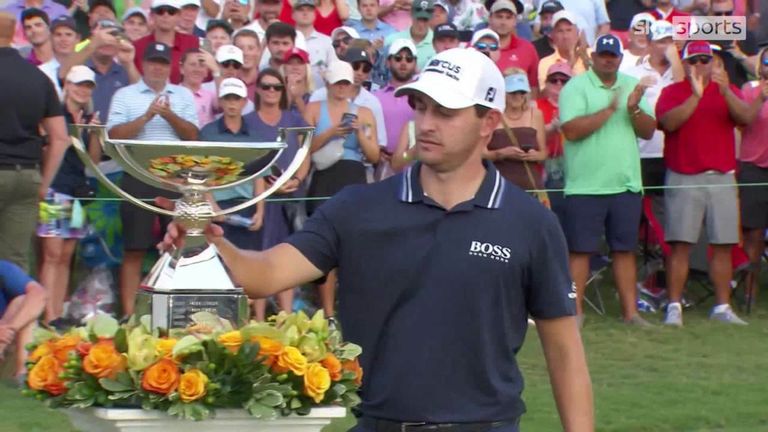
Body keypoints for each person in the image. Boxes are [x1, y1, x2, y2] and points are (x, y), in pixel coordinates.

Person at [161, 47, 593, 432]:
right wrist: (206, 239)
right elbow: (266, 273)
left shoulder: (531, 223)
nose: (425, 123)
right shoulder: (357, 209)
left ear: (489, 122)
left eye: (445, 112)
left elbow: (565, 351)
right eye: (421, 107)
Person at [655, 41, 757, 326]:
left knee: (723, 244)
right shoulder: (672, 92)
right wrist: (695, 97)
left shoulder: (727, 91)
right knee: (680, 244)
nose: (700, 66)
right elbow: (669, 123)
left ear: (714, 63)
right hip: (684, 175)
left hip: (722, 176)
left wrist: (724, 91)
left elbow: (746, 118)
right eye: (694, 61)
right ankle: (674, 305)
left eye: (705, 60)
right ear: (686, 64)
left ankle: (722, 306)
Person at [559, 34, 656, 326]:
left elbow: (649, 131)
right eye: (602, 54)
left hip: (625, 183)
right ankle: (573, 312)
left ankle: (631, 314)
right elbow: (572, 130)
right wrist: (609, 111)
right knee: (579, 251)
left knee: (625, 249)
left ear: (620, 58)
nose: (607, 59)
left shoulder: (631, 85)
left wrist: (633, 108)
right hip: (585, 185)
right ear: (596, 56)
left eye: (612, 55)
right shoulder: (575, 87)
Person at [107, 42, 199, 316]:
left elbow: (193, 135)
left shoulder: (182, 95)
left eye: (162, 62)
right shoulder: (125, 95)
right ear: (142, 64)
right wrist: (146, 116)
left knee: (177, 247)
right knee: (134, 249)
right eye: (152, 62)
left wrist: (168, 115)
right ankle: (129, 315)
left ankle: (173, 314)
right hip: (137, 175)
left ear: (169, 66)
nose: (157, 68)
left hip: (175, 178)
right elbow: (115, 135)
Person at [304, 60, 380, 318]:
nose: (341, 88)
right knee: (325, 244)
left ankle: (351, 308)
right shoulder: (314, 109)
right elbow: (304, 148)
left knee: (354, 245)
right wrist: (331, 133)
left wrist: (358, 133)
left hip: (353, 175)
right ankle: (327, 312)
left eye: (345, 83)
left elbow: (374, 155)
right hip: (324, 175)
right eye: (337, 83)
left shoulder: (365, 113)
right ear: (327, 84)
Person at [0, 12, 69, 273]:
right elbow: (60, 138)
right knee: (15, 262)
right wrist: (43, 182)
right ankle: (19, 314)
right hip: (27, 176)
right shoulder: (39, 78)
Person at [244, 69, 310, 320]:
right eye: (266, 86)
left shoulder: (293, 119)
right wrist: (267, 184)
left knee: (289, 255)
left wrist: (296, 179)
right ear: (258, 89)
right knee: (260, 255)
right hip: (261, 196)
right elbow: (247, 160)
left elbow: (306, 153)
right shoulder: (248, 121)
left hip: (292, 196)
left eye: (277, 87)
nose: (271, 91)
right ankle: (259, 317)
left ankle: (286, 317)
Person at [38, 65, 100, 322]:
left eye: (87, 86)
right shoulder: (55, 115)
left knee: (66, 256)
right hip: (55, 188)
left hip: (76, 191)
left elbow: (93, 161)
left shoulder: (88, 118)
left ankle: (57, 312)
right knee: (51, 255)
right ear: (67, 85)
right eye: (78, 84)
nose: (83, 90)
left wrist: (93, 133)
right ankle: (47, 314)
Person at [738, 48, 768, 306]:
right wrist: (761, 98)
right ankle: (749, 292)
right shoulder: (749, 89)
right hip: (754, 168)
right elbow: (742, 120)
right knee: (753, 234)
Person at [485, 71, 546, 191]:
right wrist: (502, 153)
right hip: (499, 186)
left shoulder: (536, 114)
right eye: (513, 92)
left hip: (530, 185)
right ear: (504, 93)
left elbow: (544, 152)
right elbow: (480, 153)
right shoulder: (492, 115)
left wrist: (535, 155)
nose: (518, 97)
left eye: (522, 92)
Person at [373, 38, 416, 173]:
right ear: (388, 62)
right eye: (398, 58)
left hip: (415, 164)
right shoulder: (375, 97)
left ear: (415, 63)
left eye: (409, 59)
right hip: (382, 165)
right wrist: (376, 152)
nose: (403, 63)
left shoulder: (422, 98)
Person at [133, 0, 200, 84]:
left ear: (179, 16)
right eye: (160, 11)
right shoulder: (137, 46)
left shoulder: (192, 42)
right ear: (152, 15)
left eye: (171, 11)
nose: (166, 15)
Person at [0, 260, 47, 380]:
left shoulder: (3, 268)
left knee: (22, 302)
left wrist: (10, 329)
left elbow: (39, 294)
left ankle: (22, 376)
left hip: (4, 339)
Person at [489, 0, 539, 93]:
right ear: (490, 18)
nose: (503, 22)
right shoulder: (476, 47)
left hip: (516, 105)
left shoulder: (527, 49)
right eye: (499, 17)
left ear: (515, 21)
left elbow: (534, 86)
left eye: (508, 17)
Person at [537, 10, 589, 91]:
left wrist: (585, 57)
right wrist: (571, 61)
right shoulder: (545, 63)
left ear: (578, 32)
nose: (565, 36)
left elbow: (601, 82)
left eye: (569, 30)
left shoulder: (591, 54)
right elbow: (545, 93)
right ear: (552, 35)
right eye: (560, 31)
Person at [292, 0, 335, 91]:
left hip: (319, 95)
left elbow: (333, 70)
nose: (305, 13)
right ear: (293, 14)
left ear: (315, 14)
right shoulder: (286, 40)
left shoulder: (327, 41)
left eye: (309, 10)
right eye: (301, 10)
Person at [383, 0, 435, 71]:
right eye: (418, 19)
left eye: (425, 20)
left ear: (431, 18)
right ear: (411, 15)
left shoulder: (437, 43)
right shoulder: (392, 40)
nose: (421, 24)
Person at [180, 47, 217, 127]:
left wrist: (216, 70)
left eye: (202, 65)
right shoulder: (171, 94)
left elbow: (222, 105)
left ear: (206, 72)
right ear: (181, 68)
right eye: (193, 65)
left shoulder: (210, 96)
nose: (197, 69)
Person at [282, 47, 314, 116]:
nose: (295, 67)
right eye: (290, 63)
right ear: (284, 69)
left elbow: (309, 123)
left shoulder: (314, 98)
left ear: (307, 68)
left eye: (300, 63)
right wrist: (289, 94)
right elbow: (278, 121)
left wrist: (297, 98)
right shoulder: (275, 95)